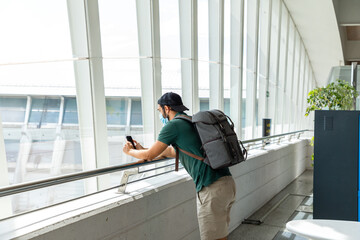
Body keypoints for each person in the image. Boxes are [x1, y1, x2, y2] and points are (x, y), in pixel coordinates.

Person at [123, 92, 236, 240]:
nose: (160, 114)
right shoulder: (190, 121)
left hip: (211, 187)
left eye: (159, 110)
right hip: (227, 183)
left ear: (167, 108)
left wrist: (130, 151)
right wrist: (143, 149)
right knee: (220, 236)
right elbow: (171, 152)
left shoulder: (173, 125)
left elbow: (150, 156)